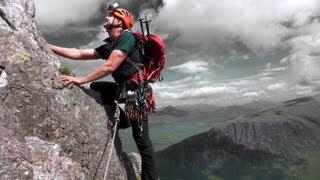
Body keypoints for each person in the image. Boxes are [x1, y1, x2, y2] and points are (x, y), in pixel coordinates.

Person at [40, 5, 157, 180]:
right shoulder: (111, 45)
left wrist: (81, 79)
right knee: (98, 87)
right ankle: (123, 120)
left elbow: (110, 66)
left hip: (135, 93)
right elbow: (79, 54)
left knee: (141, 139)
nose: (106, 18)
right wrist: (48, 46)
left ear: (119, 21)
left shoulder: (127, 38)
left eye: (110, 15)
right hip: (124, 89)